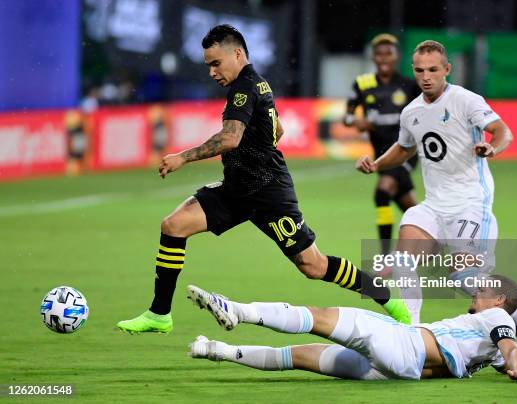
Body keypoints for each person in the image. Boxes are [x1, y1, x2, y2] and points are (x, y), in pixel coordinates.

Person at [116, 24, 411, 334]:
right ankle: (159, 314)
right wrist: (254, 153)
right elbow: (278, 130)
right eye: (208, 66)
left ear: (238, 53)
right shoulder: (257, 84)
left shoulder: (244, 88)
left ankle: (385, 296)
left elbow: (230, 139)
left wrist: (182, 157)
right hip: (237, 188)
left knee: (314, 266)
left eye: (216, 63)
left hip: (268, 193)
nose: (212, 72)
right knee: (173, 225)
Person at [355, 40, 517, 356]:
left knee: (464, 278)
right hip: (434, 205)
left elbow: (503, 131)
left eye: (433, 70)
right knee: (401, 262)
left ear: (446, 70)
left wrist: (494, 147)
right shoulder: (411, 111)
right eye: (420, 70)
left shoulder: (466, 100)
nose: (426, 76)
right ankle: (411, 333)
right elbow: (404, 148)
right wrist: (377, 164)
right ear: (414, 71)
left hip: (471, 203)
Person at [186, 275, 517, 384]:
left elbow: (510, 347)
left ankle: (238, 311)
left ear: (499, 300)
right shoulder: (488, 345)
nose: (476, 292)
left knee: (320, 316)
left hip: (404, 344)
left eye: (484, 289)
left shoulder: (499, 319)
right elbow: (504, 355)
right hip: (399, 373)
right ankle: (217, 351)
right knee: (300, 358)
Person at [344, 33, 420, 255]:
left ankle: (386, 256)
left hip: (405, 152)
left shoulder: (408, 85)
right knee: (410, 207)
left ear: (397, 56)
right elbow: (346, 118)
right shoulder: (362, 83)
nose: (384, 57)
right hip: (381, 156)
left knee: (383, 191)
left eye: (389, 53)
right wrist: (356, 121)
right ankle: (436, 238)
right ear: (373, 57)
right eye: (379, 53)